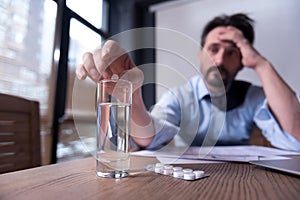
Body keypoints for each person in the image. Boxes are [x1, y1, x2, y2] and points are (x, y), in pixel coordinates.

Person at [76, 13, 300, 151]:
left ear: (243, 62)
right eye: (213, 49)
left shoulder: (254, 96)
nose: (220, 59)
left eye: (232, 53)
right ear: (200, 54)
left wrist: (260, 63)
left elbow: (296, 138)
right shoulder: (180, 96)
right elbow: (149, 138)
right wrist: (133, 96)